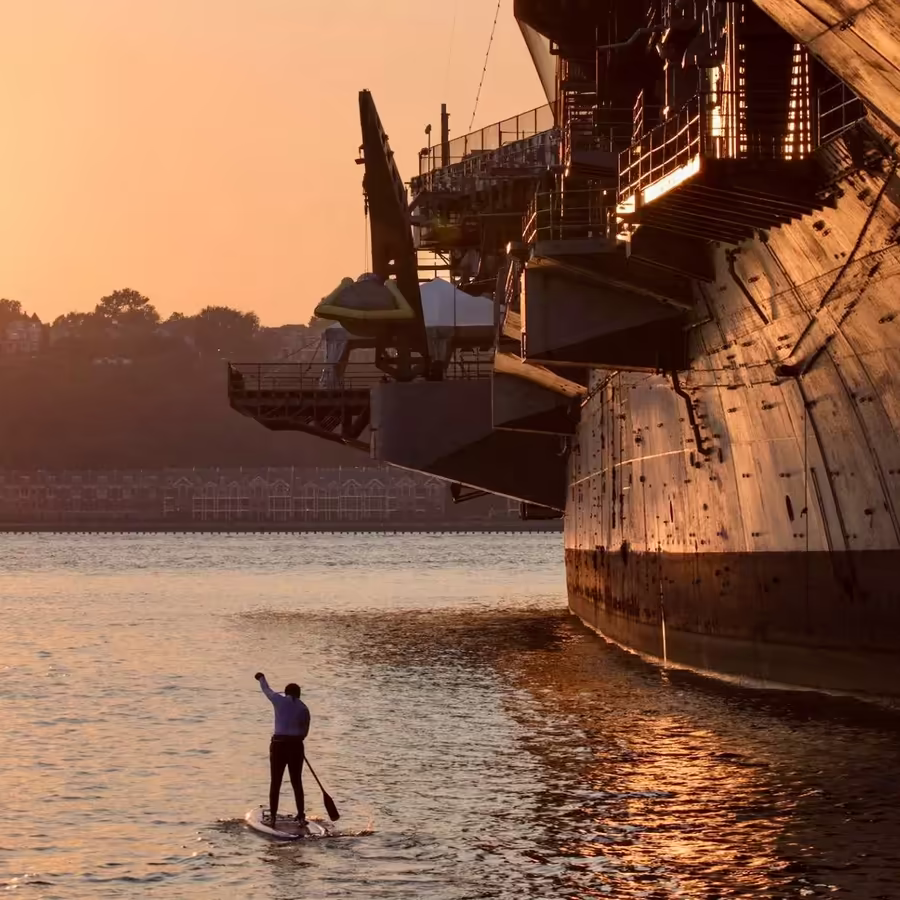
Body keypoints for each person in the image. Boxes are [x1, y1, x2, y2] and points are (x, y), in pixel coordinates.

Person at [254, 672, 311, 828]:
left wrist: (261, 677)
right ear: (299, 695)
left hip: (279, 745)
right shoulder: (304, 708)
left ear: (286, 693)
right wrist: (295, 741)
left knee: (276, 781)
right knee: (297, 782)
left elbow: (266, 689)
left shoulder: (279, 700)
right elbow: (305, 733)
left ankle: (272, 817)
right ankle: (301, 816)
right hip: (296, 747)